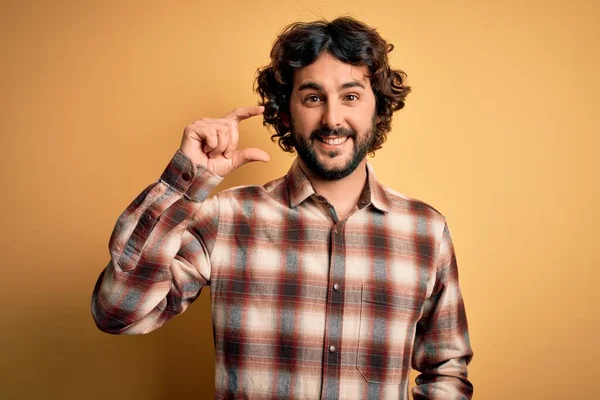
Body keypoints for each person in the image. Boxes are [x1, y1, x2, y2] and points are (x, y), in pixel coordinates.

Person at [91, 16, 473, 400]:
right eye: (313, 97)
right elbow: (118, 314)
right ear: (286, 112)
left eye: (351, 96)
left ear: (378, 109)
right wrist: (182, 183)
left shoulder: (425, 231)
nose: (332, 119)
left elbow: (447, 369)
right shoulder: (227, 218)